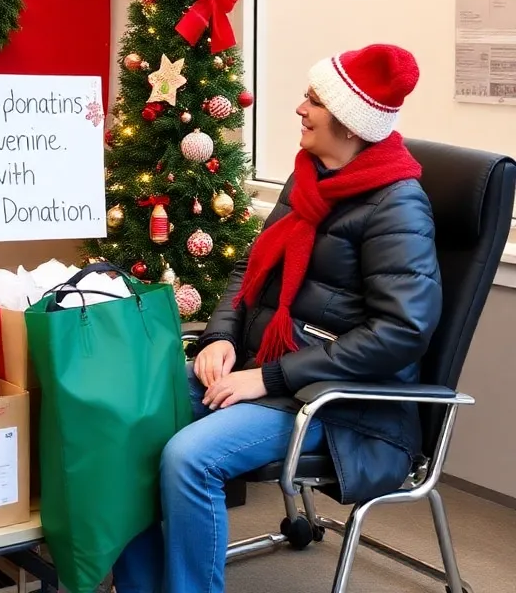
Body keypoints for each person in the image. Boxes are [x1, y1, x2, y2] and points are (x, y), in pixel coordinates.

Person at [112, 44, 442, 593]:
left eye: (313, 101)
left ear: (351, 123)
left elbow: (401, 332)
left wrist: (266, 377)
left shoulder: (398, 206)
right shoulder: (310, 178)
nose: (300, 109)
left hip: (342, 405)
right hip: (270, 372)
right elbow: (251, 267)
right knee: (129, 419)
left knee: (190, 458)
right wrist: (219, 338)